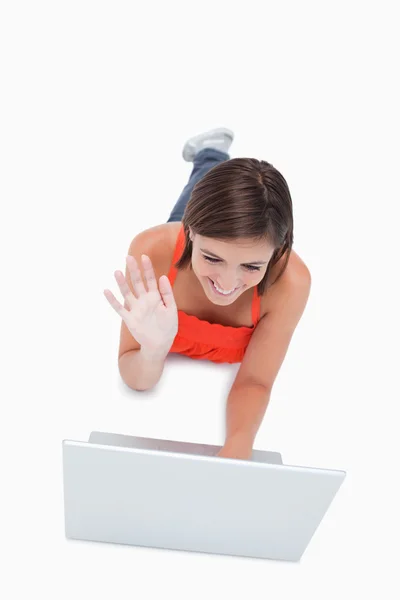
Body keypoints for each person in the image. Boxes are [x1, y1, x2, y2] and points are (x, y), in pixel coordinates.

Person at [104, 128, 312, 459]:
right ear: (190, 234)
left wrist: (238, 448)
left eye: (251, 266)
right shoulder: (153, 252)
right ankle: (210, 154)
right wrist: (153, 351)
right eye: (212, 258)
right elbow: (135, 378)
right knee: (199, 183)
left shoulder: (291, 283)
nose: (228, 283)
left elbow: (255, 381)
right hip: (179, 249)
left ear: (276, 253)